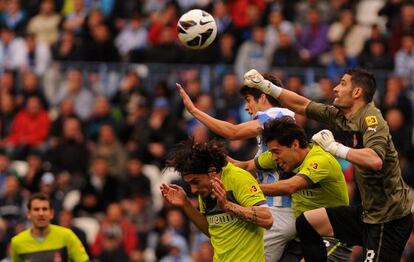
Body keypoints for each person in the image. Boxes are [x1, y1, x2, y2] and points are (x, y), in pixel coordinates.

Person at [243, 68, 413, 261]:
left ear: (357, 92)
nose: (335, 88)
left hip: (389, 218)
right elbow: (302, 104)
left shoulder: (372, 119)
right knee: (306, 222)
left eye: (342, 84)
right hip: (367, 212)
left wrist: (335, 147)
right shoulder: (342, 116)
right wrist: (267, 87)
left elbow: (374, 160)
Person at [176, 74, 296, 262]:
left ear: (263, 97)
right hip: (278, 212)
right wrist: (209, 156)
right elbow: (244, 166)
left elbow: (233, 132)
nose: (247, 108)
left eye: (248, 100)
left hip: (277, 213)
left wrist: (194, 111)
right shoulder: (270, 140)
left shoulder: (278, 115)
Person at [239, 116, 351, 261]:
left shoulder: (320, 160)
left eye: (276, 152)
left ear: (295, 145)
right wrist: (216, 164)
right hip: (304, 238)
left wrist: (249, 189)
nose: (273, 158)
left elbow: (291, 186)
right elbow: (246, 166)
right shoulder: (282, 155)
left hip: (333, 236)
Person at [160, 138, 273, 261]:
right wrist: (185, 204)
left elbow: (267, 219)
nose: (193, 190)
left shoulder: (238, 178)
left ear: (212, 172)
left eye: (195, 182)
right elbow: (212, 231)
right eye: (189, 184)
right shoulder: (206, 189)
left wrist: (228, 206)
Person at [10, 193, 89, 262]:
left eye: (45, 209)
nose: (41, 213)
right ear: (28, 213)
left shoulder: (67, 236)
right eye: (36, 209)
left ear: (51, 213)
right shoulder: (17, 242)